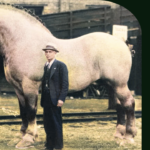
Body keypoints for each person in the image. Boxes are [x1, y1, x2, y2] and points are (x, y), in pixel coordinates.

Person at [41, 44, 69, 150]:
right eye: (46, 52)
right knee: (47, 123)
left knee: (56, 122)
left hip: (56, 99)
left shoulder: (61, 65)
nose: (47, 54)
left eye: (50, 52)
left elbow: (65, 84)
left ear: (55, 53)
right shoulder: (46, 66)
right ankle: (49, 145)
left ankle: (58, 146)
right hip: (46, 99)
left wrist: (61, 98)